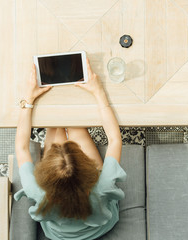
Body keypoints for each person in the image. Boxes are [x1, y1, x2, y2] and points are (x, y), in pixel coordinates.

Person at [14, 59, 126, 240]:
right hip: (99, 226)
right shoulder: (102, 187)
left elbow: (21, 146)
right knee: (76, 126)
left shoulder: (35, 190)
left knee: (56, 127)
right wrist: (98, 91)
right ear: (90, 172)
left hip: (57, 234)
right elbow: (114, 140)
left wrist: (29, 99)